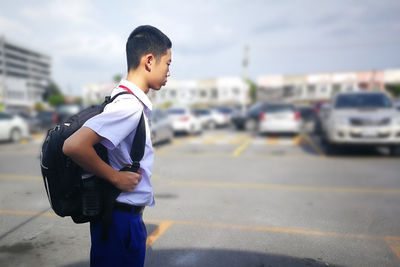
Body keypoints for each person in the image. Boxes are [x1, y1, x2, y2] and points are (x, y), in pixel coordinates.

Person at [62, 25, 172, 267]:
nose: (168, 72)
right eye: (168, 64)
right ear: (150, 61)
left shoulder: (120, 96)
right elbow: (74, 146)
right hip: (120, 221)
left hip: (117, 217)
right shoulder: (129, 106)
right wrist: (116, 178)